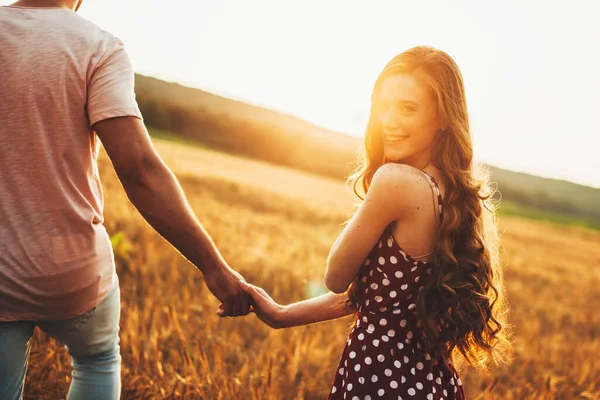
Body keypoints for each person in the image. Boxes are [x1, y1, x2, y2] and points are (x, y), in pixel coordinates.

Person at [0, 1, 251, 399]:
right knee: (97, 359)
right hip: (72, 270)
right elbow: (140, 171)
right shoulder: (98, 48)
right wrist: (214, 268)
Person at [231, 46, 512, 399]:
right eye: (382, 107)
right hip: (430, 383)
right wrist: (281, 314)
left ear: (443, 116)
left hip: (381, 378)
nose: (389, 121)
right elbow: (378, 298)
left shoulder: (397, 181)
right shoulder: (451, 194)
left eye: (407, 108)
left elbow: (336, 277)